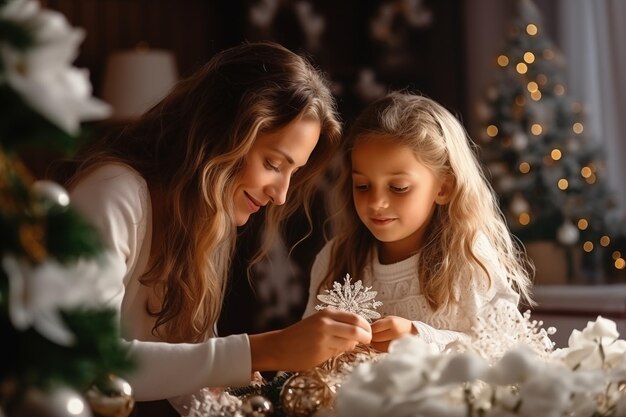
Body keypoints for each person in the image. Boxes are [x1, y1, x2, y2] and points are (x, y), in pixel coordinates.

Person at [56, 41, 371, 415]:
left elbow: (183, 373)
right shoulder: (112, 194)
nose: (281, 195)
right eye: (273, 163)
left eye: (293, 172)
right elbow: (96, 365)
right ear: (221, 135)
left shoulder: (200, 219)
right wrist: (266, 349)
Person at [303, 91, 535, 355]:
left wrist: (419, 338)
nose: (376, 202)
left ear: (443, 188)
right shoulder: (335, 259)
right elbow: (304, 353)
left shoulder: (468, 257)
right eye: (363, 186)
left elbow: (504, 350)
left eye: (399, 187)